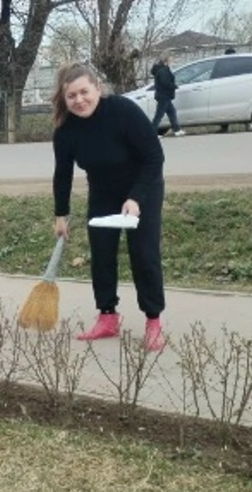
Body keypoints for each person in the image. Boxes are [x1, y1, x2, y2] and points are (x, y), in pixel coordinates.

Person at [51, 62, 167, 351]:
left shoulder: (122, 111)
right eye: (72, 96)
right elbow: (62, 174)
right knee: (101, 255)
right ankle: (107, 317)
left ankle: (153, 321)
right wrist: (61, 214)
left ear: (98, 89)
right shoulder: (65, 131)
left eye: (84, 92)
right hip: (103, 193)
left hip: (142, 187)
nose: (79, 100)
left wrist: (136, 198)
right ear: (65, 99)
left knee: (144, 254)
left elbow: (154, 156)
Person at [150, 52, 185, 137]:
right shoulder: (163, 70)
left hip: (164, 95)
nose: (172, 60)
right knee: (159, 115)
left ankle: (176, 129)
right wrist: (174, 86)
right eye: (171, 59)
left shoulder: (163, 69)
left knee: (172, 112)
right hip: (163, 95)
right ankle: (152, 133)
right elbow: (165, 83)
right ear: (166, 60)